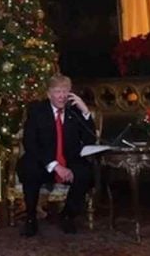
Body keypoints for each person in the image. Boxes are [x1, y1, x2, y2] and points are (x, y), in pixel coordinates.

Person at [17, 73, 96, 237]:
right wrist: (54, 165)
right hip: (43, 160)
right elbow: (30, 143)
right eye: (58, 91)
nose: (62, 96)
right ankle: (31, 218)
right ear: (49, 94)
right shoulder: (37, 111)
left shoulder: (74, 111)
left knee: (85, 173)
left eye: (65, 91)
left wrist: (86, 111)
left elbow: (90, 139)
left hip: (69, 159)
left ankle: (68, 216)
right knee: (29, 168)